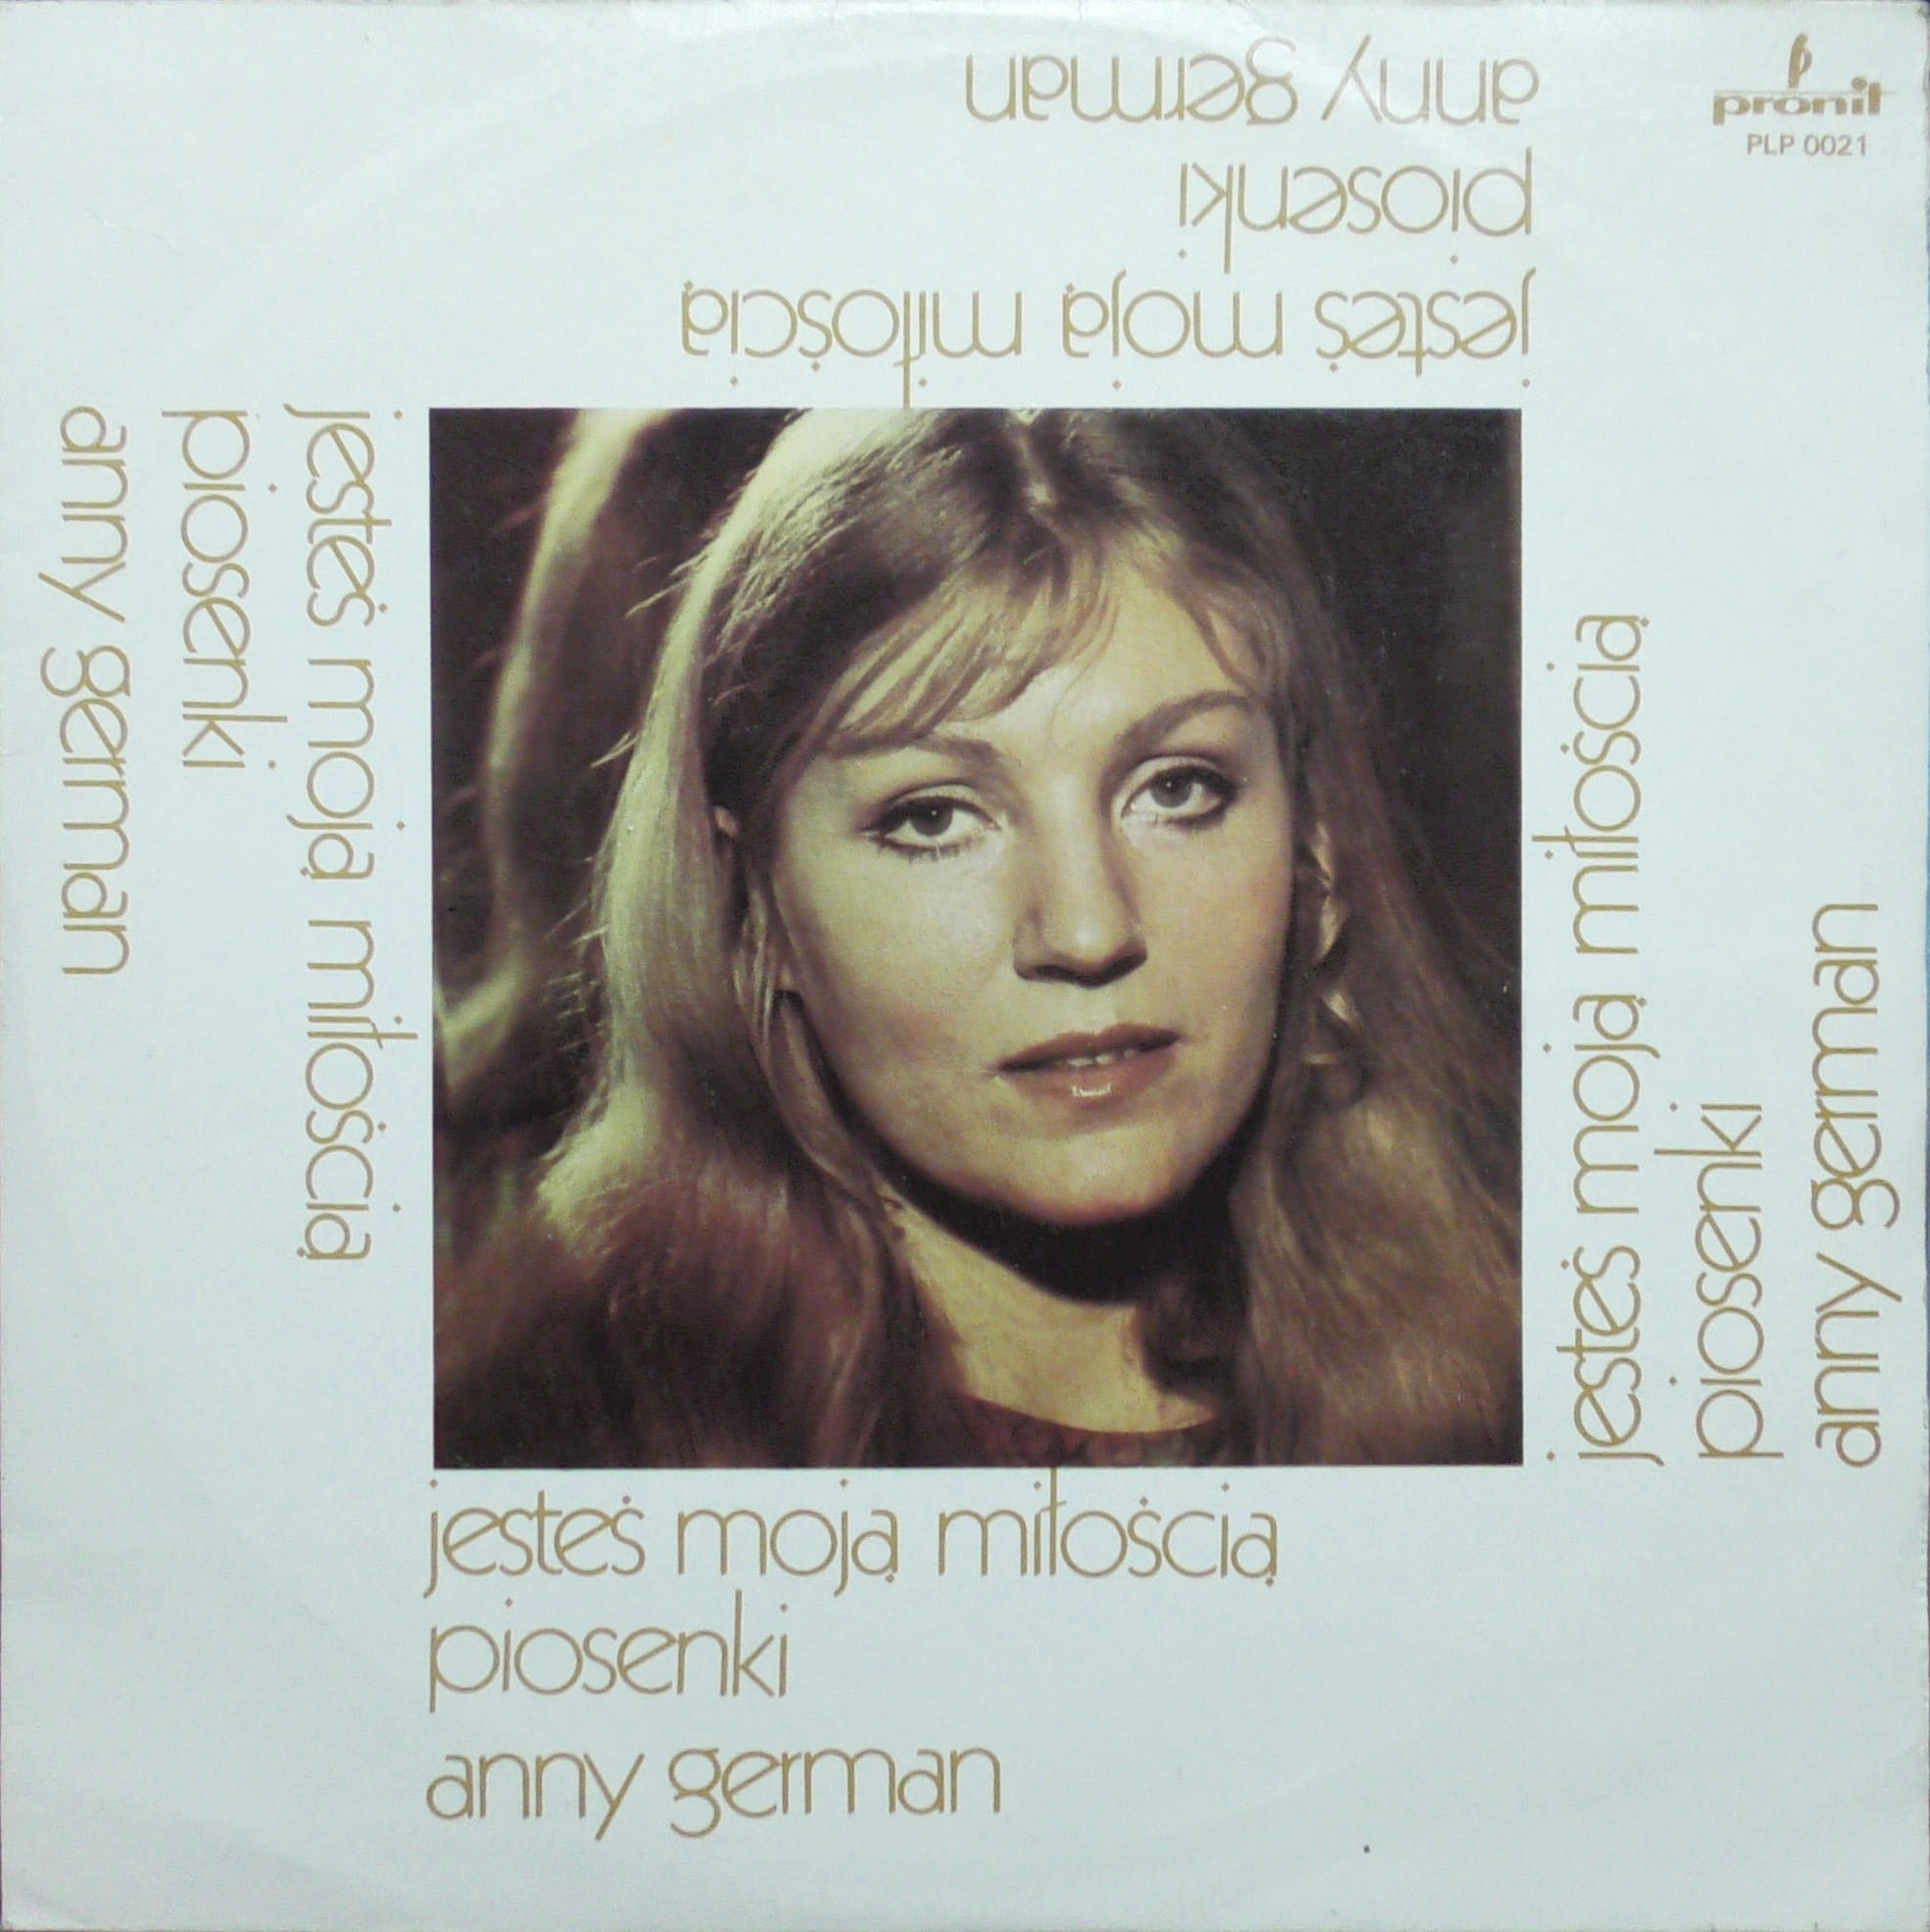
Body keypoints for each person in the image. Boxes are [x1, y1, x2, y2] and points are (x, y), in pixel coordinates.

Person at [435, 410, 1519, 1468]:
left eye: (1176, 788)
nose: (1087, 931)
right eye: (933, 818)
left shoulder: (1510, 1402)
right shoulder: (538, 1452)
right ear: (752, 905)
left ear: (1313, 851)